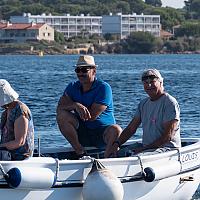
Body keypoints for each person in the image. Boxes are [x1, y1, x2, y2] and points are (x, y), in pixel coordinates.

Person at [56, 55, 122, 158]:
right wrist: (75, 105)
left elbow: (90, 116)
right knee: (62, 115)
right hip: (82, 133)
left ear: (94, 71)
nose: (80, 73)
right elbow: (60, 108)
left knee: (116, 130)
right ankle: (80, 152)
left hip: (103, 134)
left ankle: (107, 157)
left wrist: (70, 105)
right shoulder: (72, 87)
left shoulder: (103, 88)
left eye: (84, 70)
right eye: (78, 70)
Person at [108, 68, 181, 157]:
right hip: (147, 147)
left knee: (136, 157)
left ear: (161, 82)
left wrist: (144, 149)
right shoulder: (143, 104)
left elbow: (168, 136)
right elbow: (131, 129)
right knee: (113, 154)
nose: (149, 85)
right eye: (146, 83)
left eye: (152, 81)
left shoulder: (169, 102)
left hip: (166, 149)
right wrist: (116, 144)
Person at [0, 79, 34, 160]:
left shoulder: (20, 110)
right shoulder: (5, 113)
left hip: (19, 156)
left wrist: (1, 146)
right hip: (6, 153)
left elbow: (19, 142)